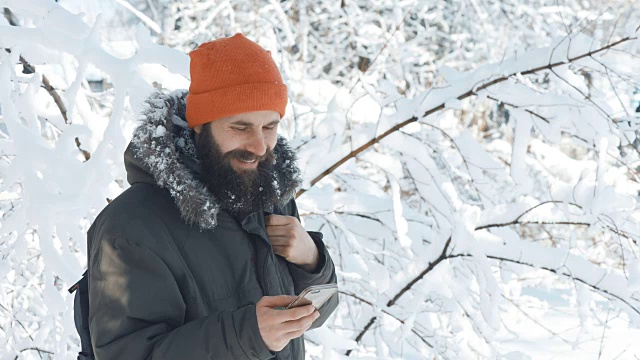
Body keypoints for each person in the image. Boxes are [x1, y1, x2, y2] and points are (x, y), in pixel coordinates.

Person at [86, 33, 339, 359]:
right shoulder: (132, 226)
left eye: (270, 127)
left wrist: (311, 260)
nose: (260, 147)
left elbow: (319, 312)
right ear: (200, 126)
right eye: (241, 127)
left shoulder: (266, 193)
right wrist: (246, 335)